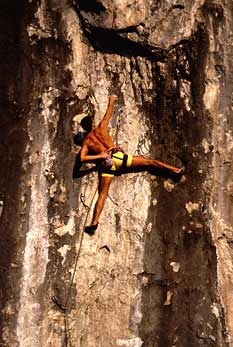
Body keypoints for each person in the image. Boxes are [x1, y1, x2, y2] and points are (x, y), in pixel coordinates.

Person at [79, 95, 183, 235]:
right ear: (92, 123)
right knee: (148, 162)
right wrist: (112, 100)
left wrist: (100, 156)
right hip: (119, 158)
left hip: (107, 164)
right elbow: (109, 112)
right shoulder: (101, 128)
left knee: (102, 194)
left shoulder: (87, 142)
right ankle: (175, 170)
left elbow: (82, 158)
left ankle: (94, 221)